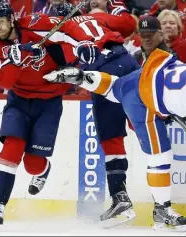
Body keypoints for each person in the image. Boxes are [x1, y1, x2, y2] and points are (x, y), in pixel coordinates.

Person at [44, 53, 186, 231]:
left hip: (146, 73)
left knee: (116, 88)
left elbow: (184, 85)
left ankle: (81, 77)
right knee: (160, 156)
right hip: (144, 102)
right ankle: (162, 210)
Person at [0, 2, 99, 230]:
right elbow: (5, 82)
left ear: (11, 19)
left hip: (49, 102)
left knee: (33, 164)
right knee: (11, 150)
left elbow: (68, 27)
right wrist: (14, 60)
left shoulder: (35, 24)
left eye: (1, 22)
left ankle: (43, 170)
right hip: (19, 102)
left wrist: (83, 43)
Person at [49, 1, 140, 225]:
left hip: (103, 75)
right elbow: (128, 25)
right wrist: (117, 5)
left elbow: (59, 66)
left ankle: (120, 198)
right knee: (144, 122)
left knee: (112, 137)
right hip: (128, 64)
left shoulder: (59, 34)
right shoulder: (97, 18)